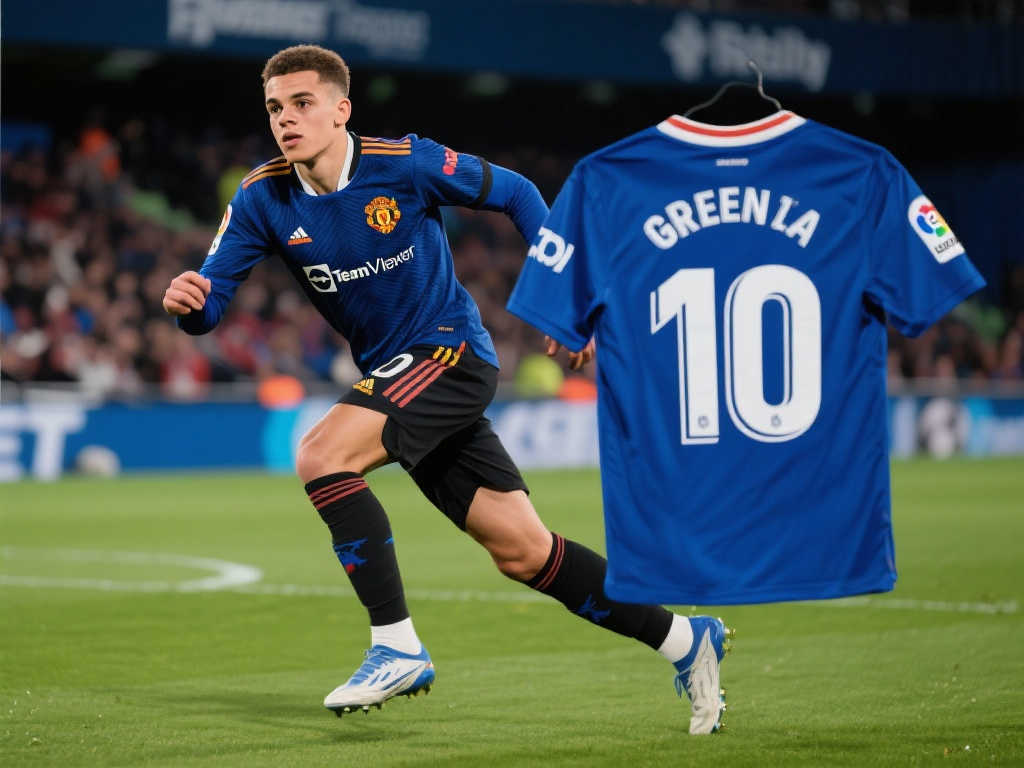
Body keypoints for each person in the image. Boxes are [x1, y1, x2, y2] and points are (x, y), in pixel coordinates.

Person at [162, 44, 732, 735]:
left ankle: (396, 645)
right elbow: (211, 304)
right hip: (399, 378)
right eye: (275, 107)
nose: (286, 119)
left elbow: (517, 193)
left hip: (449, 353)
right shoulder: (262, 197)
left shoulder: (406, 163)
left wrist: (563, 298)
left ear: (342, 110)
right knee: (524, 552)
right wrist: (191, 305)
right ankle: (684, 639)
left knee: (320, 454)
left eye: (303, 103)